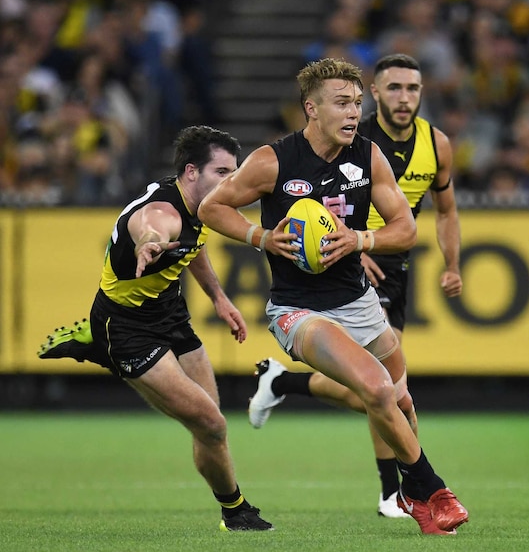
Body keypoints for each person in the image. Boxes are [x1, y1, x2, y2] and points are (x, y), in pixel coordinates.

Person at [196, 57, 469, 535]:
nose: (352, 113)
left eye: (357, 103)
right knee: (378, 388)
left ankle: (411, 494)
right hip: (298, 311)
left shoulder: (368, 156)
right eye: (342, 103)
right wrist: (260, 237)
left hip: (358, 302)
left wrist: (359, 239)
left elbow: (406, 228)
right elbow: (210, 205)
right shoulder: (273, 160)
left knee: (401, 403)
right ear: (311, 109)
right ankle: (432, 491)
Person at [37, 125, 273, 531]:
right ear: (191, 172)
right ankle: (236, 512)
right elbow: (153, 228)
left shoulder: (200, 206)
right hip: (127, 327)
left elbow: (191, 249)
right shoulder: (163, 212)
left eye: (233, 172)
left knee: (211, 425)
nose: (231, 181)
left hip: (168, 311)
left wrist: (218, 297)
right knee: (212, 424)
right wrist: (148, 241)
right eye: (222, 172)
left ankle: (233, 510)